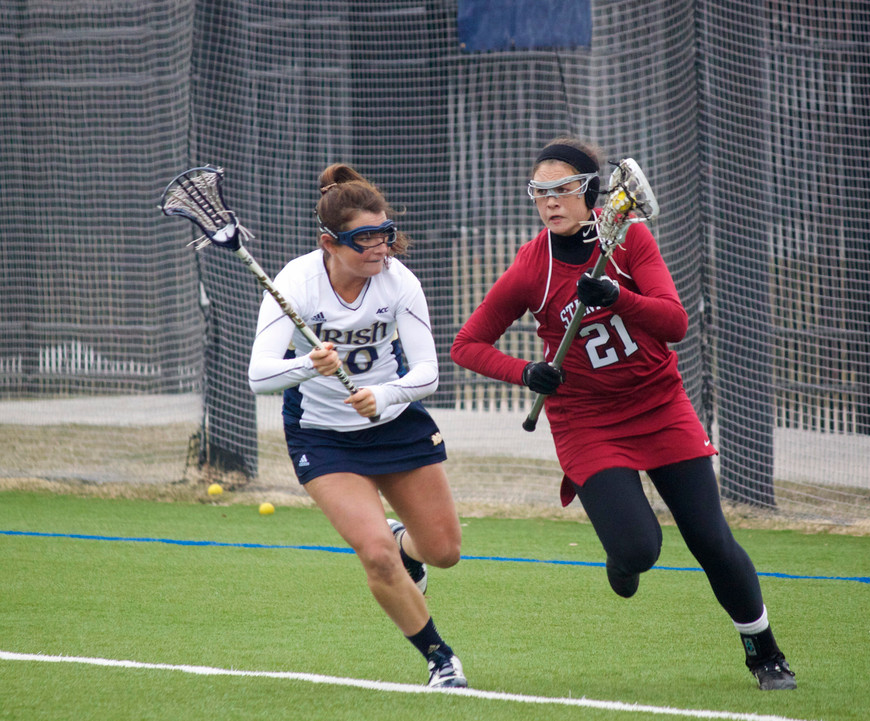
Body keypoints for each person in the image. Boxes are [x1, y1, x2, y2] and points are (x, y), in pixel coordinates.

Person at [450, 137, 796, 691]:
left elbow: (674, 323)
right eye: (540, 192)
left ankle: (764, 653)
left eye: (562, 189)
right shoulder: (531, 267)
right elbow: (467, 344)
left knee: (709, 538)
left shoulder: (630, 240)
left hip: (659, 404)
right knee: (638, 549)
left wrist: (617, 297)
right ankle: (622, 557)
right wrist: (526, 373)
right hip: (586, 419)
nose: (550, 202)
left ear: (592, 191)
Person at [248, 163, 467, 689]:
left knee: (444, 552)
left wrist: (386, 395)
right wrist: (308, 365)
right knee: (374, 555)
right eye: (364, 239)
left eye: (385, 234)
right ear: (330, 241)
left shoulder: (399, 283)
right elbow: (260, 375)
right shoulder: (295, 283)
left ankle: (404, 543)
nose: (379, 248)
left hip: (395, 425)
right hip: (323, 436)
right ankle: (440, 658)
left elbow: (428, 373)